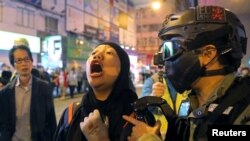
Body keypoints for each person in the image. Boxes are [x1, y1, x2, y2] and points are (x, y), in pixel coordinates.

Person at [123, 5, 249, 141]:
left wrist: (148, 139)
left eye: (169, 49)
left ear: (207, 54)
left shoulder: (244, 107)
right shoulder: (190, 104)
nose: (160, 59)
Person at [54, 42, 138, 141]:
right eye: (93, 53)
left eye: (109, 53)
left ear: (123, 68)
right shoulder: (71, 114)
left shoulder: (139, 119)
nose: (97, 56)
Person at [0, 45, 57, 141]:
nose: (24, 64)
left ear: (31, 61)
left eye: (26, 59)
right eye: (19, 60)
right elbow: (3, 125)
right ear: (13, 65)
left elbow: (51, 121)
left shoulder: (44, 88)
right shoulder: (5, 93)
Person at [141, 71, 189, 139]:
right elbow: (142, 108)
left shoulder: (188, 80)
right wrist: (152, 96)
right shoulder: (152, 81)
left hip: (184, 134)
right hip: (160, 135)